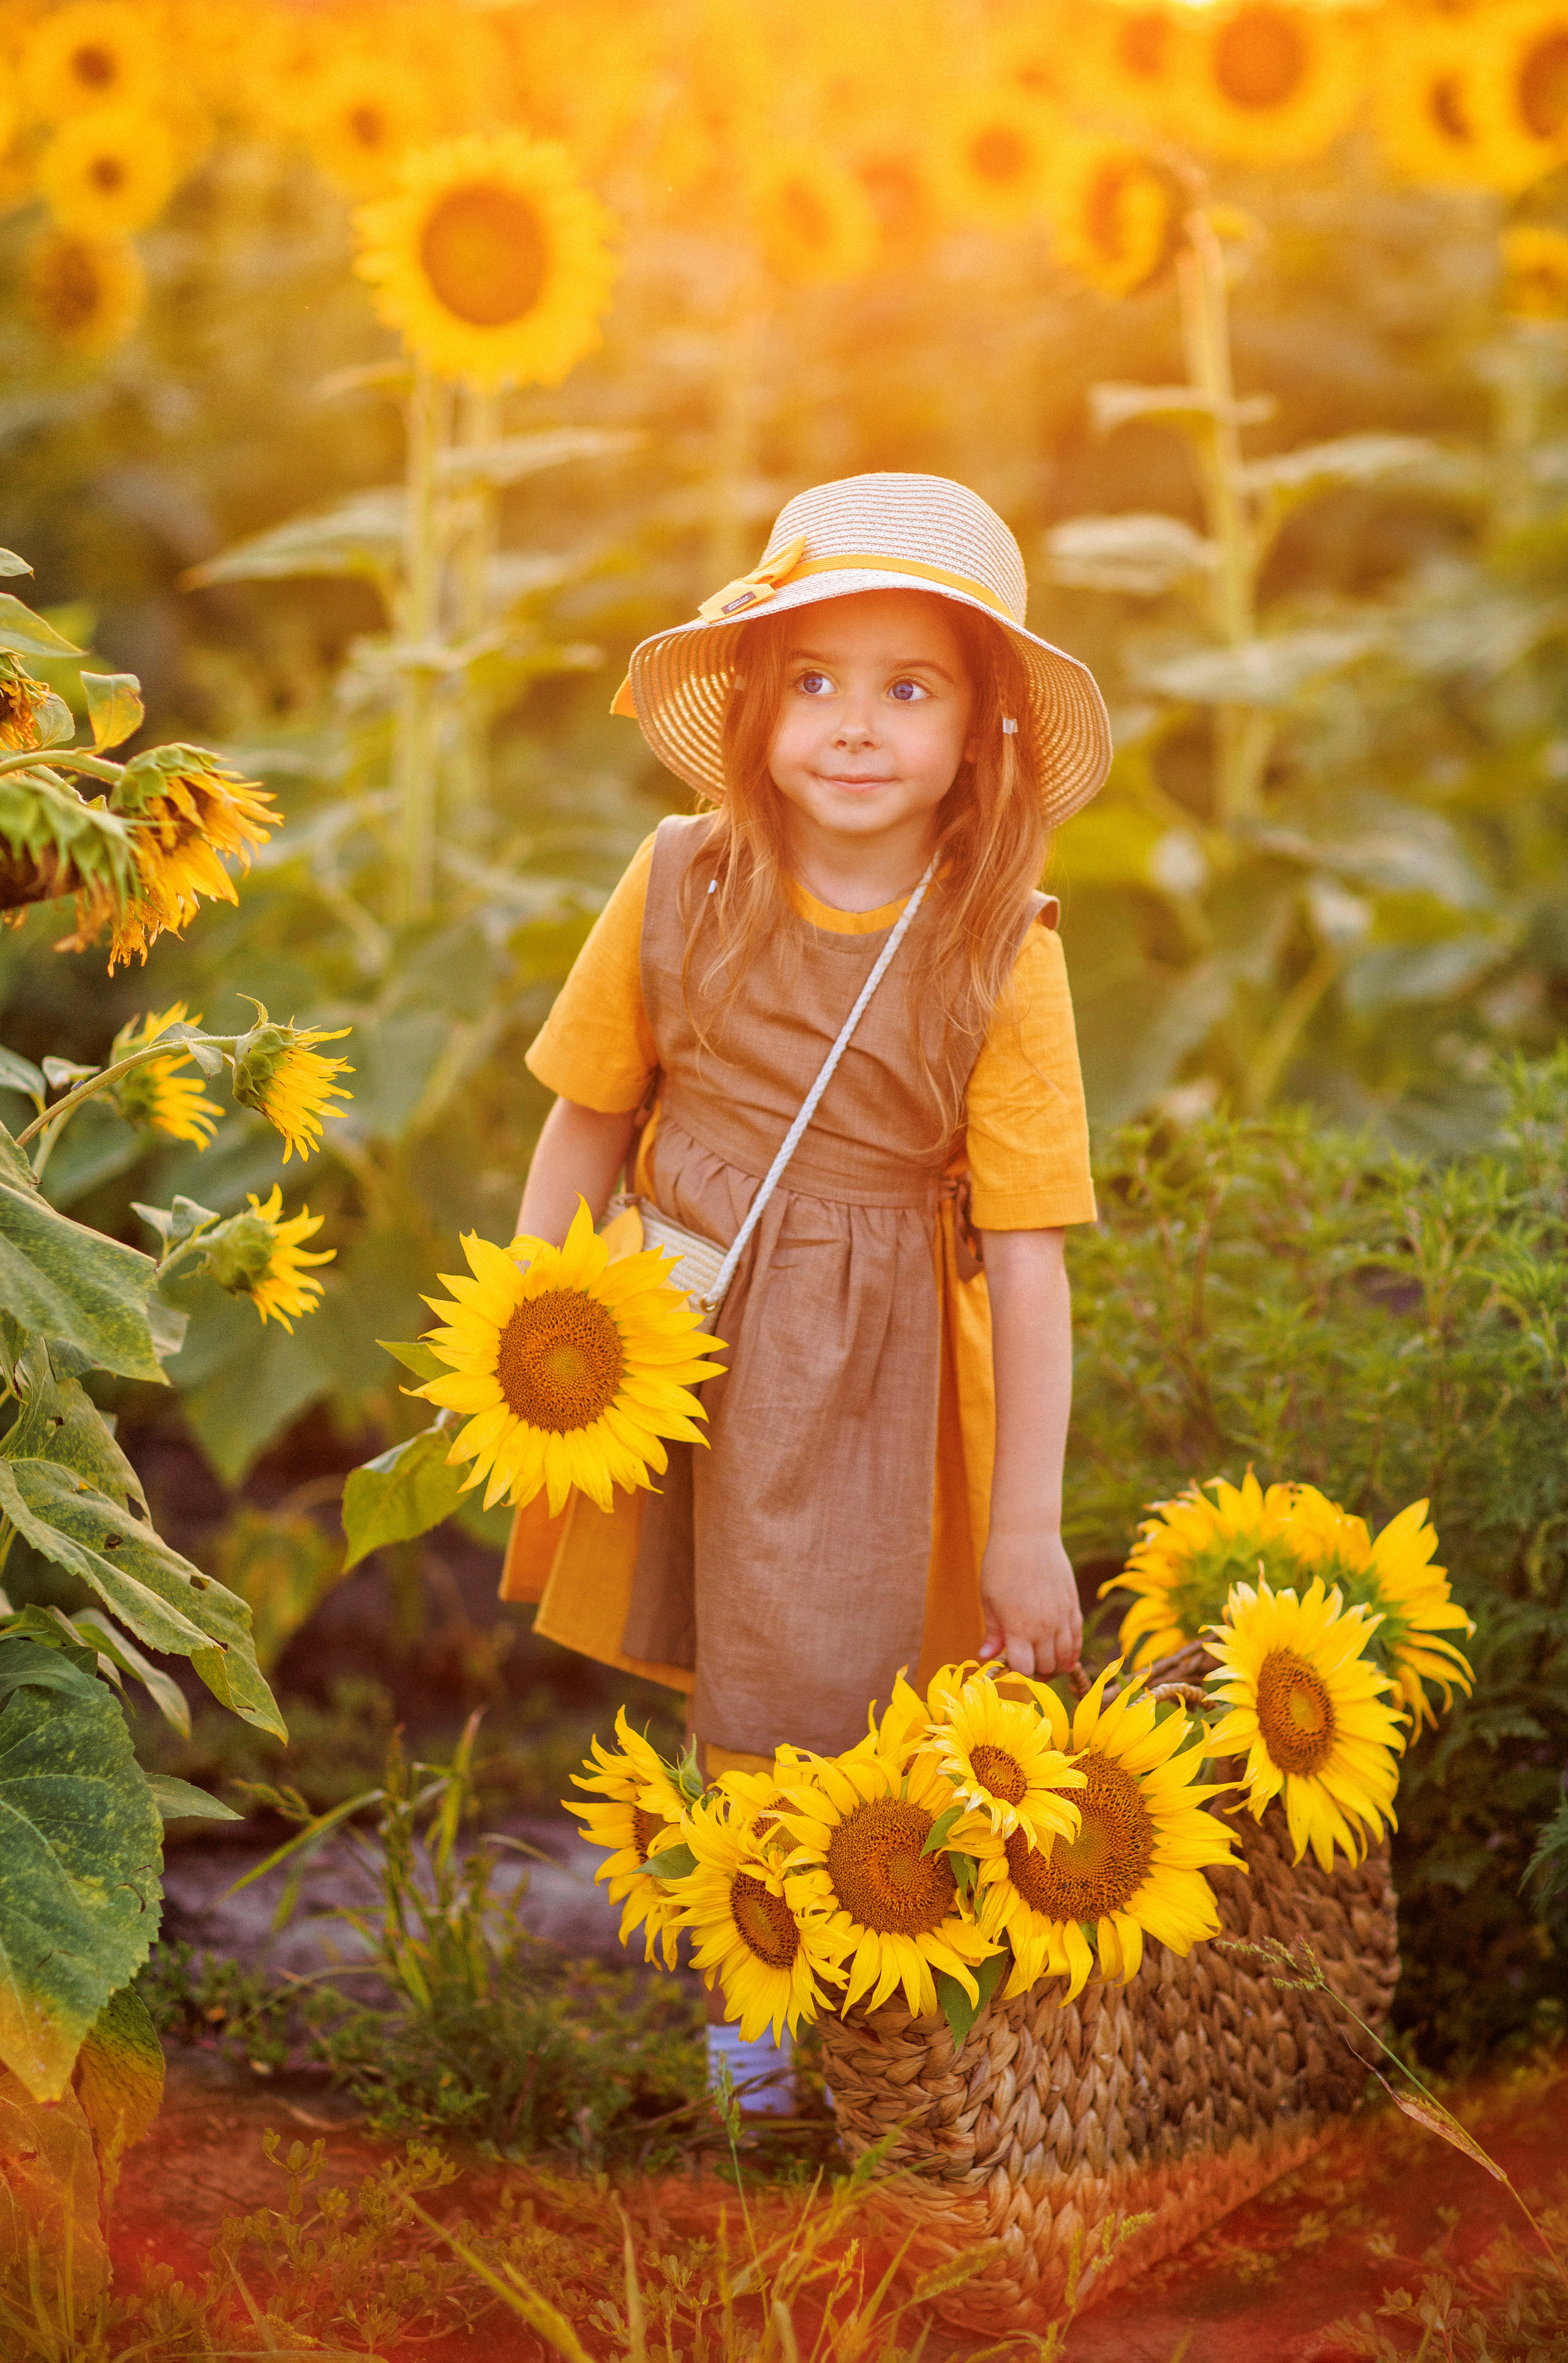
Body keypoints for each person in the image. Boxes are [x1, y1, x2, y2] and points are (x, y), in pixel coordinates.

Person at [501, 472, 1110, 2105]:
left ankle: (858, 2030)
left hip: (867, 1362)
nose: (855, 728)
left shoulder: (1000, 942)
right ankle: (757, 2028)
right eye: (817, 684)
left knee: (836, 1688)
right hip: (677, 1323)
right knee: (738, 1681)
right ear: (759, 709)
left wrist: (1024, 1520)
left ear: (983, 730)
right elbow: (587, 1116)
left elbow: (1034, 1253)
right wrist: (532, 1336)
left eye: (908, 688)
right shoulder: (681, 882)